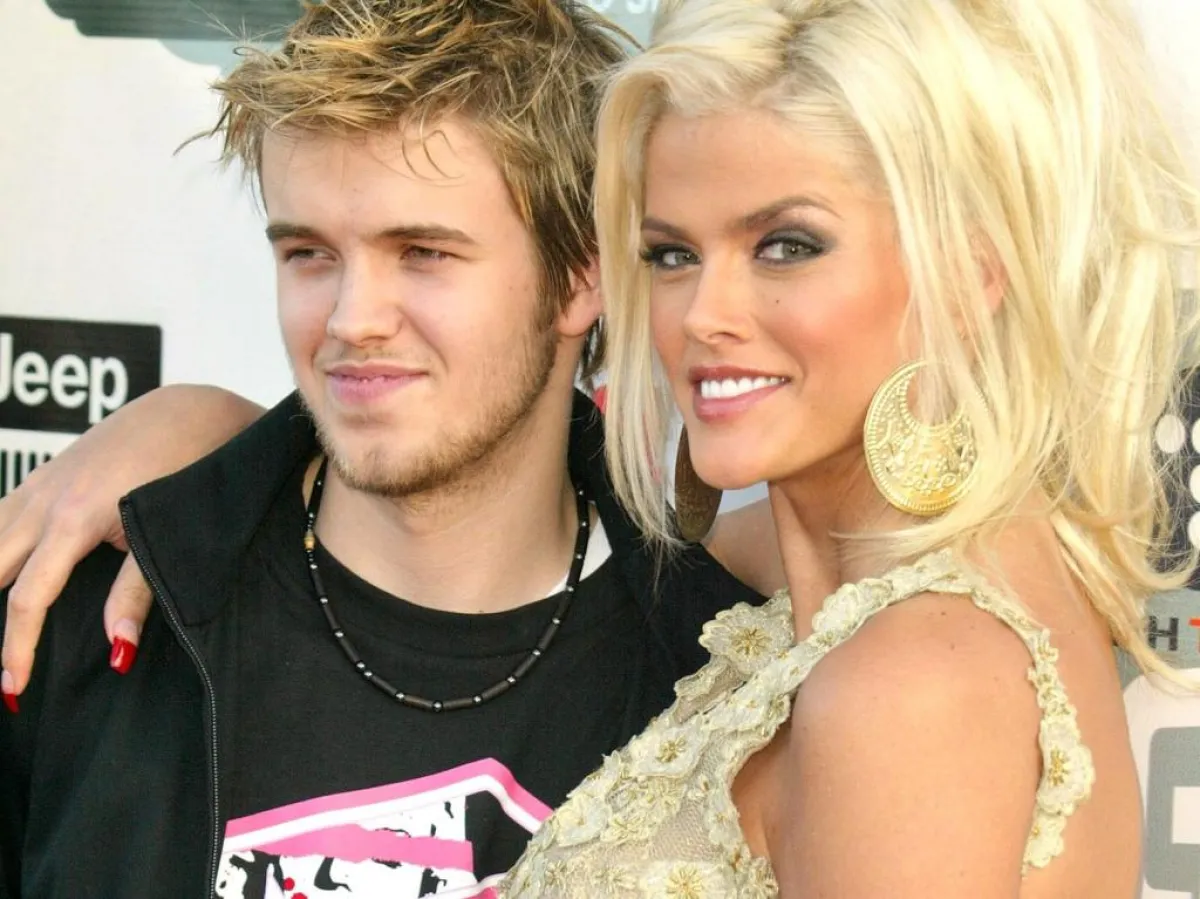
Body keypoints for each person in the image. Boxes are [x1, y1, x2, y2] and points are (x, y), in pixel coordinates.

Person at [0, 1, 780, 896]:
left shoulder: (715, 681)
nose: (351, 319)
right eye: (309, 253)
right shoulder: (88, 610)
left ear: (579, 277)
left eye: (422, 252)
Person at [493, 0, 1199, 894]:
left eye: (785, 246)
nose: (703, 315)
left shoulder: (909, 684)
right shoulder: (909, 587)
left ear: (965, 273)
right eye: (672, 255)